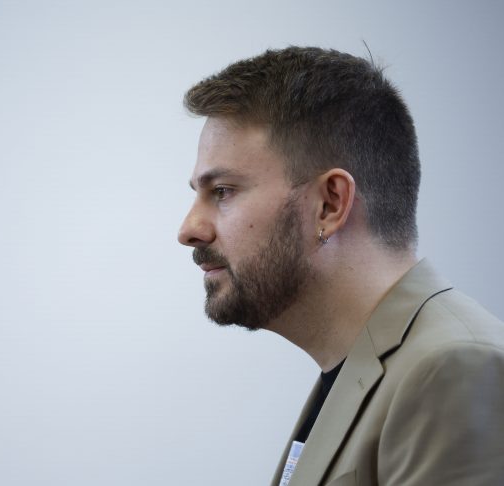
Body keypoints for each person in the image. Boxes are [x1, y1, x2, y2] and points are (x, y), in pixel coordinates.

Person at [177, 46, 504, 485]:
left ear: (330, 204)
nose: (189, 229)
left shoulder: (453, 370)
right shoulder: (364, 369)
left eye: (222, 191)